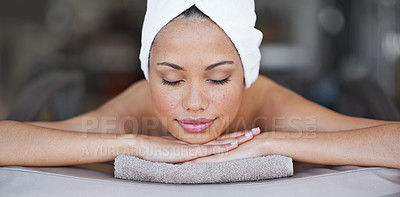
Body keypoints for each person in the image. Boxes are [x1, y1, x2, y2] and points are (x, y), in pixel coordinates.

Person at [0, 0, 399, 168]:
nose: (194, 103)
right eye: (171, 79)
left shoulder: (270, 109)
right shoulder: (139, 110)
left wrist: (275, 142)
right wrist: (131, 143)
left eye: (219, 77)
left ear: (246, 73)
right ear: (148, 71)